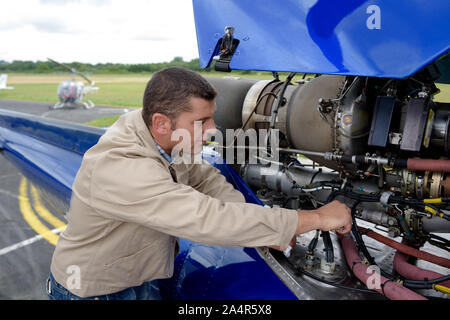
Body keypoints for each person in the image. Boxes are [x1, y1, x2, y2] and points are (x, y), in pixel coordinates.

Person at [47, 67, 352, 300]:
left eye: (211, 118)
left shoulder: (161, 136)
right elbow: (206, 219)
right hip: (92, 291)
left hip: (139, 277)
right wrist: (316, 218)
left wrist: (264, 230)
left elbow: (206, 179)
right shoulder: (122, 168)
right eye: (201, 122)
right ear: (161, 123)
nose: (212, 130)